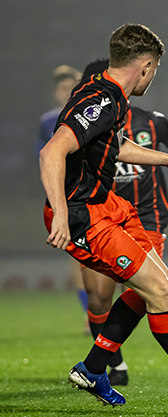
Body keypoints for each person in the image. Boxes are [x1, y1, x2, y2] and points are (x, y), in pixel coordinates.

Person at [39, 24, 168, 416]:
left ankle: (94, 367)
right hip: (86, 215)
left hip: (109, 204)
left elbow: (115, 145)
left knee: (158, 284)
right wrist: (61, 215)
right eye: (156, 71)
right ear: (147, 66)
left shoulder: (109, 94)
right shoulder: (101, 98)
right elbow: (52, 152)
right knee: (161, 293)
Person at [77, 59, 168, 387]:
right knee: (100, 296)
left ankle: (100, 365)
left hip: (147, 215)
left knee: (150, 288)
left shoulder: (150, 121)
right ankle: (104, 362)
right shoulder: (88, 126)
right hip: (103, 213)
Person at [37, 64, 90, 334]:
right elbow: (44, 157)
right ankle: (88, 314)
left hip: (94, 190)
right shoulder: (48, 121)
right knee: (78, 255)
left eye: (70, 85)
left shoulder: (92, 115)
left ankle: (102, 310)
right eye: (61, 87)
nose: (65, 91)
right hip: (68, 194)